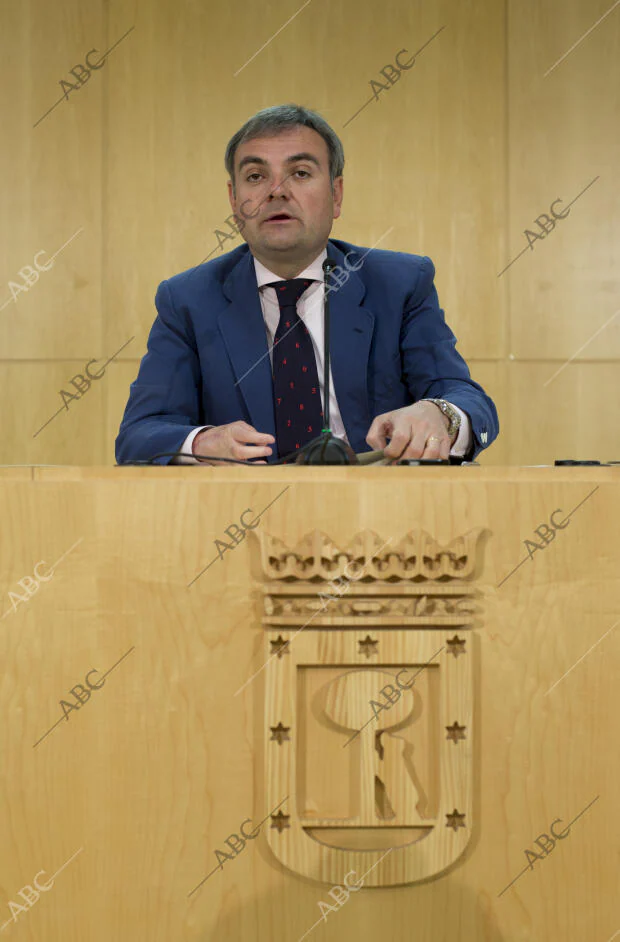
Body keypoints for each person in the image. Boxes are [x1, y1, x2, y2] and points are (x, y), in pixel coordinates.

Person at [115, 104, 498, 465]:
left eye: (300, 173)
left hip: (379, 514)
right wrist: (201, 443)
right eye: (255, 176)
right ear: (234, 200)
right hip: (243, 515)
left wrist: (439, 413)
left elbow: (469, 402)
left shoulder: (399, 285)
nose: (276, 191)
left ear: (336, 195)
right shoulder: (188, 301)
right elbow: (139, 434)